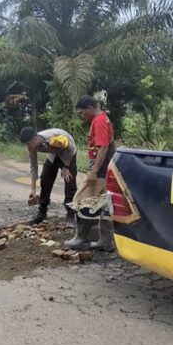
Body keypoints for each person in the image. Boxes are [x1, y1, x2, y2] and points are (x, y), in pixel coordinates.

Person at [70, 95, 117, 252]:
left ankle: (82, 238)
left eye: (82, 113)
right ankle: (105, 241)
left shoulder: (99, 121)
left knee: (81, 201)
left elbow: (103, 147)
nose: (82, 116)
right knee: (103, 204)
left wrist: (94, 172)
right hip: (104, 169)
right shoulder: (102, 119)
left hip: (101, 170)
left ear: (89, 108)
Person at [19, 126, 78, 228]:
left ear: (35, 139)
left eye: (28, 144)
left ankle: (71, 214)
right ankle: (42, 212)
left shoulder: (53, 139)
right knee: (45, 179)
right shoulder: (32, 147)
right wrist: (33, 190)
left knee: (70, 181)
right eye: (26, 145)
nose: (28, 147)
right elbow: (34, 167)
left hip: (68, 154)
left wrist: (66, 167)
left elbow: (71, 148)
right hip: (53, 154)